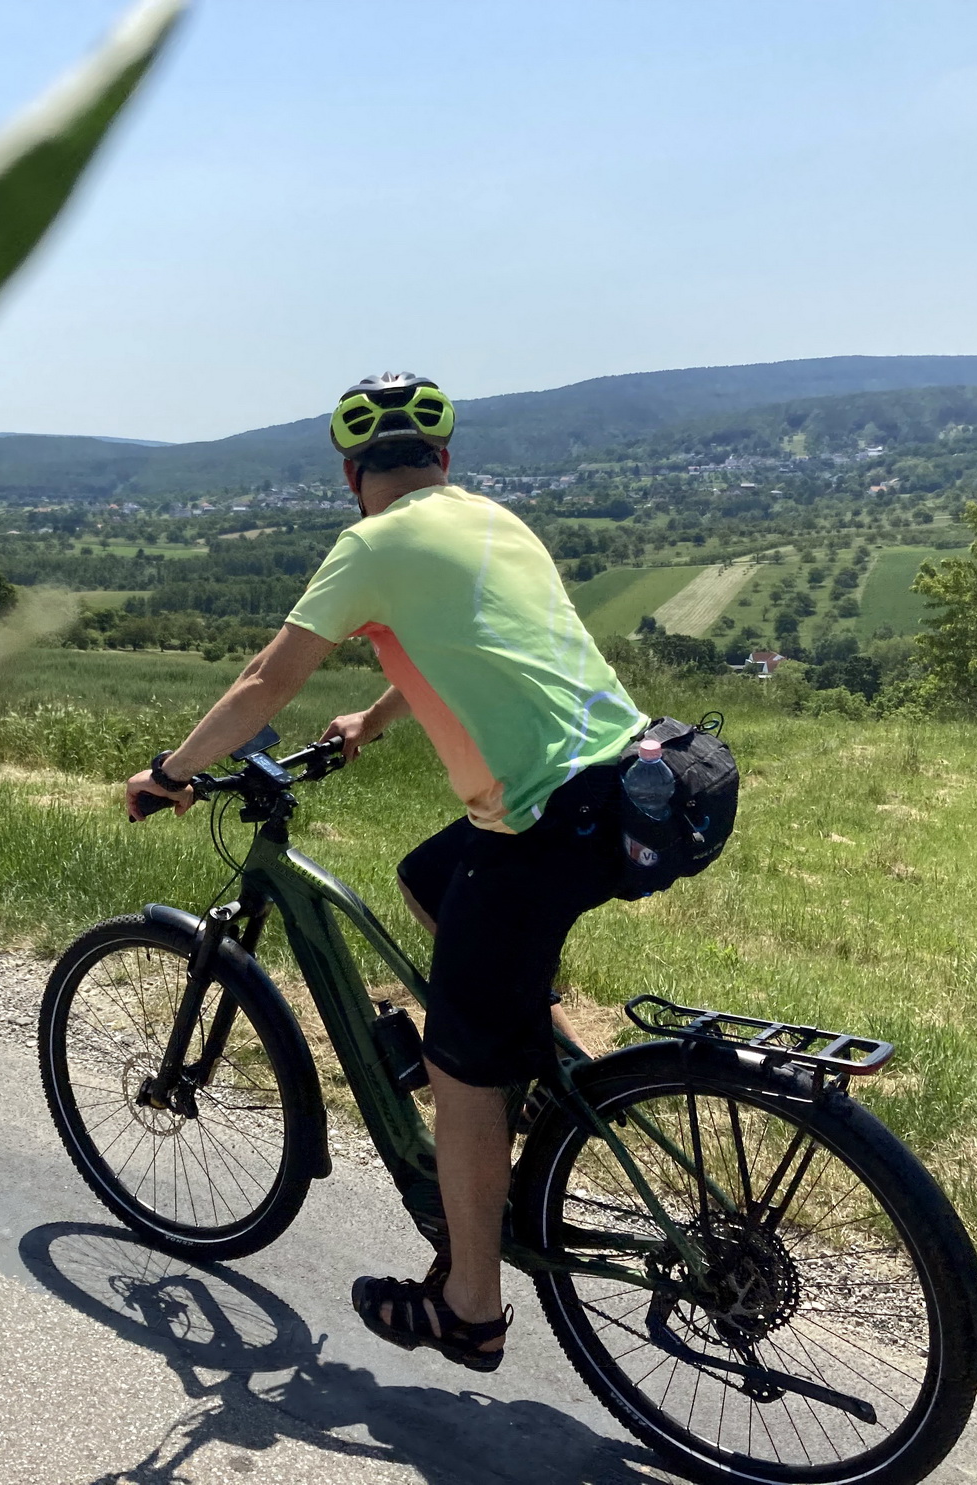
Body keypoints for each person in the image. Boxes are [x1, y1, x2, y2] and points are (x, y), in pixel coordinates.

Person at [125, 373, 644, 1373]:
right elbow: (473, 649)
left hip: (538, 821)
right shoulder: (494, 519)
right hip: (625, 785)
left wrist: (171, 772)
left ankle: (470, 1308)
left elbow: (266, 682)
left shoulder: (368, 544)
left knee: (459, 1069)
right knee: (427, 878)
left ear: (353, 475)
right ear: (444, 463)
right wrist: (374, 715)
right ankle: (541, 1074)